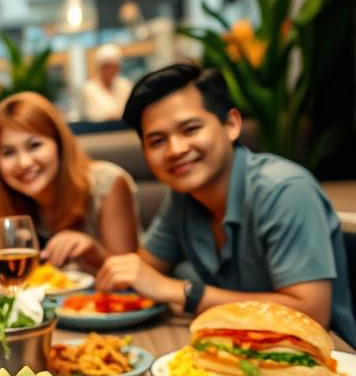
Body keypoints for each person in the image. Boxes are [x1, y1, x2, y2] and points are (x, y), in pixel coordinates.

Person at [96, 62, 356, 344]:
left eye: (190, 129)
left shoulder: (284, 190)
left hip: (322, 361)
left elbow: (313, 314)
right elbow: (144, 271)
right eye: (157, 141)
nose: (176, 150)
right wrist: (92, 252)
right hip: (236, 351)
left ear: (231, 124)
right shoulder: (183, 197)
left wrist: (181, 292)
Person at [0, 91, 138, 271]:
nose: (24, 163)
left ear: (59, 144)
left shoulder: (107, 183)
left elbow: (129, 279)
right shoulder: (3, 201)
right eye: (8, 152)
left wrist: (92, 250)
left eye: (34, 145)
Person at [82, 43, 133, 122]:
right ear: (99, 67)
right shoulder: (89, 88)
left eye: (113, 66)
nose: (110, 71)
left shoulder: (125, 85)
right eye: (106, 67)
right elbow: (92, 115)